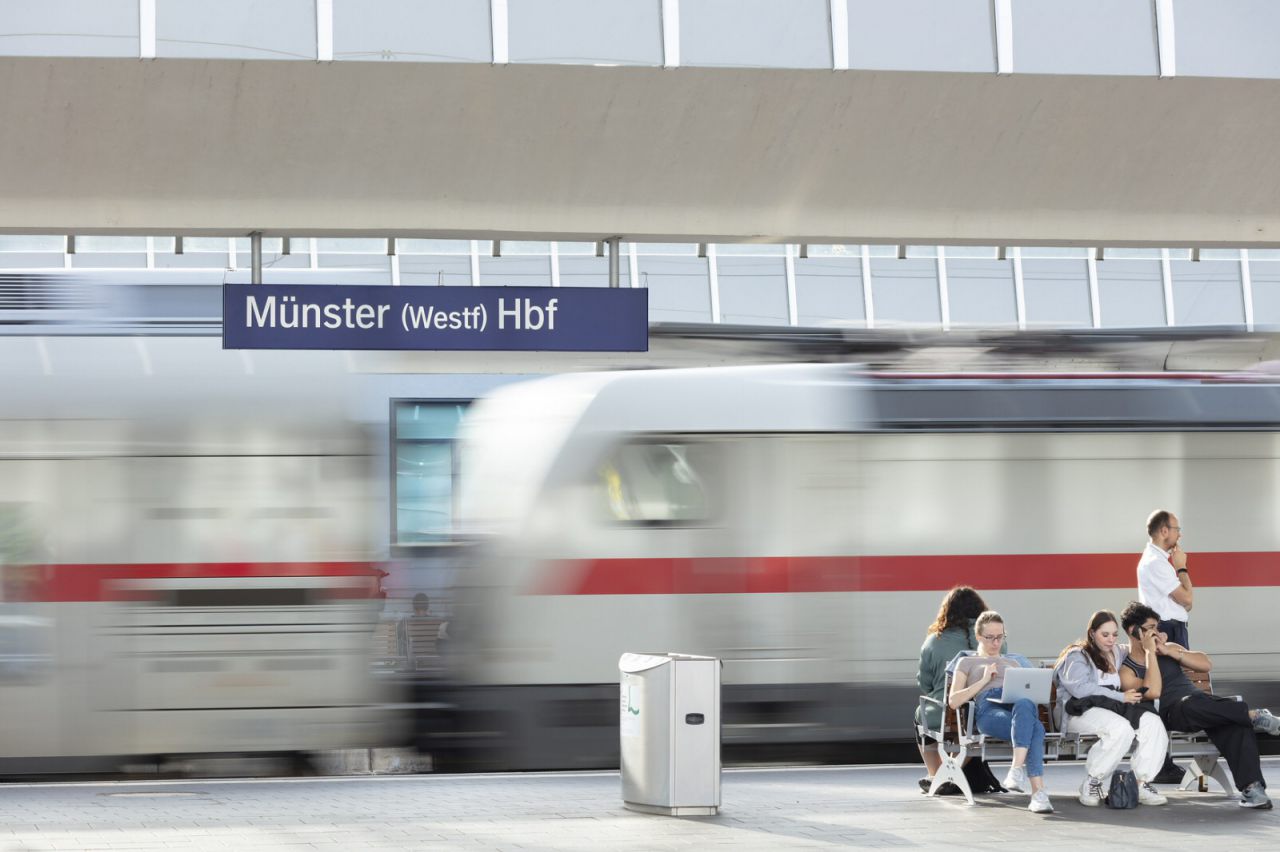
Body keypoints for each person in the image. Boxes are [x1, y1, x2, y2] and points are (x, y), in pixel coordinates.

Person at [1119, 601, 1279, 810]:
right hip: (1172, 714)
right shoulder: (1127, 670)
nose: (1156, 632)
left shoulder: (1167, 650)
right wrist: (1150, 654)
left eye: (1157, 627)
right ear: (1134, 631)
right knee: (1195, 705)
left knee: (1234, 723)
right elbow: (1153, 692)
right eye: (1151, 628)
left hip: (1204, 706)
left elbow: (1206, 664)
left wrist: (1169, 651)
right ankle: (1253, 715)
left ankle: (1253, 789)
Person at [1054, 610, 1168, 806]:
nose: (1110, 640)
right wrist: (1120, 696)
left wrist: (1153, 637)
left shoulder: (1116, 651)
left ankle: (1141, 782)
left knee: (1153, 722)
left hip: (1112, 709)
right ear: (1092, 633)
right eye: (1104, 635)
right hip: (1080, 711)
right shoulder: (1077, 655)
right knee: (1120, 728)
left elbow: (1136, 646)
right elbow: (1081, 689)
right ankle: (1093, 780)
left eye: (1114, 635)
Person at [949, 611, 1053, 814]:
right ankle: (1038, 793)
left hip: (1015, 705)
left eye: (1000, 636)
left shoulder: (1013, 663)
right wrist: (984, 680)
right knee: (1036, 729)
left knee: (1025, 702)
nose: (996, 643)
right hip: (988, 708)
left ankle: (1016, 770)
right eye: (990, 637)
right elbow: (953, 701)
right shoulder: (966, 662)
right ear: (978, 636)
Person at [914, 586, 988, 794]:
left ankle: (936, 774)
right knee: (971, 727)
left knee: (921, 716)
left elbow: (925, 684)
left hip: (942, 711)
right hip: (978, 713)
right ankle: (949, 773)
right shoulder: (992, 639)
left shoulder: (933, 642)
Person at [1137, 510, 1193, 648]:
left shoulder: (1155, 559)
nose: (1180, 534)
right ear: (1164, 531)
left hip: (1170, 629)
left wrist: (1182, 600)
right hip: (1169, 631)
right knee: (1176, 670)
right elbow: (1187, 599)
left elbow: (1187, 604)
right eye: (1177, 530)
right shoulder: (1156, 562)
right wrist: (1181, 567)